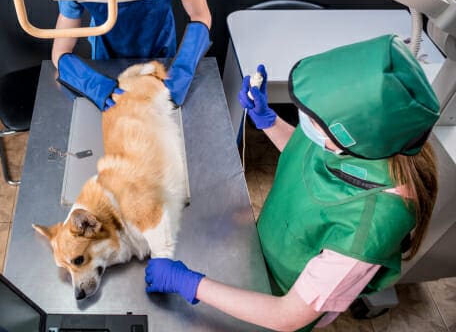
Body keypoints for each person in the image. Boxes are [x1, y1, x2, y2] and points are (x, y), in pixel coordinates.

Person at [144, 35, 440, 331]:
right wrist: (268, 121)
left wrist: (190, 284)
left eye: (315, 121)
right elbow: (308, 157)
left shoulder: (372, 225)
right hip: (267, 247)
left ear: (356, 137)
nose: (305, 122)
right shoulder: (360, 144)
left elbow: (286, 315)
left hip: (284, 299)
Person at [52, 0, 212, 111]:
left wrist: (180, 76)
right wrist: (97, 87)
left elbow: (200, 14)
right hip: (106, 61)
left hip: (162, 56)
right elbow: (60, 50)